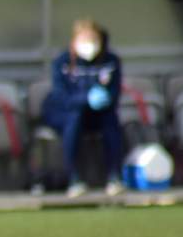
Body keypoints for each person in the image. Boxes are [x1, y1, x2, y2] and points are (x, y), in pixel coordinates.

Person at [37, 19, 125, 197]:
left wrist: (105, 97)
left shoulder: (110, 60)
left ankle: (114, 177)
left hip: (96, 114)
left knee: (111, 120)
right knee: (74, 119)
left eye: (93, 39)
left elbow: (114, 94)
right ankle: (74, 178)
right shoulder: (62, 62)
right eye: (84, 39)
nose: (89, 44)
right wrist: (85, 98)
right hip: (64, 113)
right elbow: (61, 97)